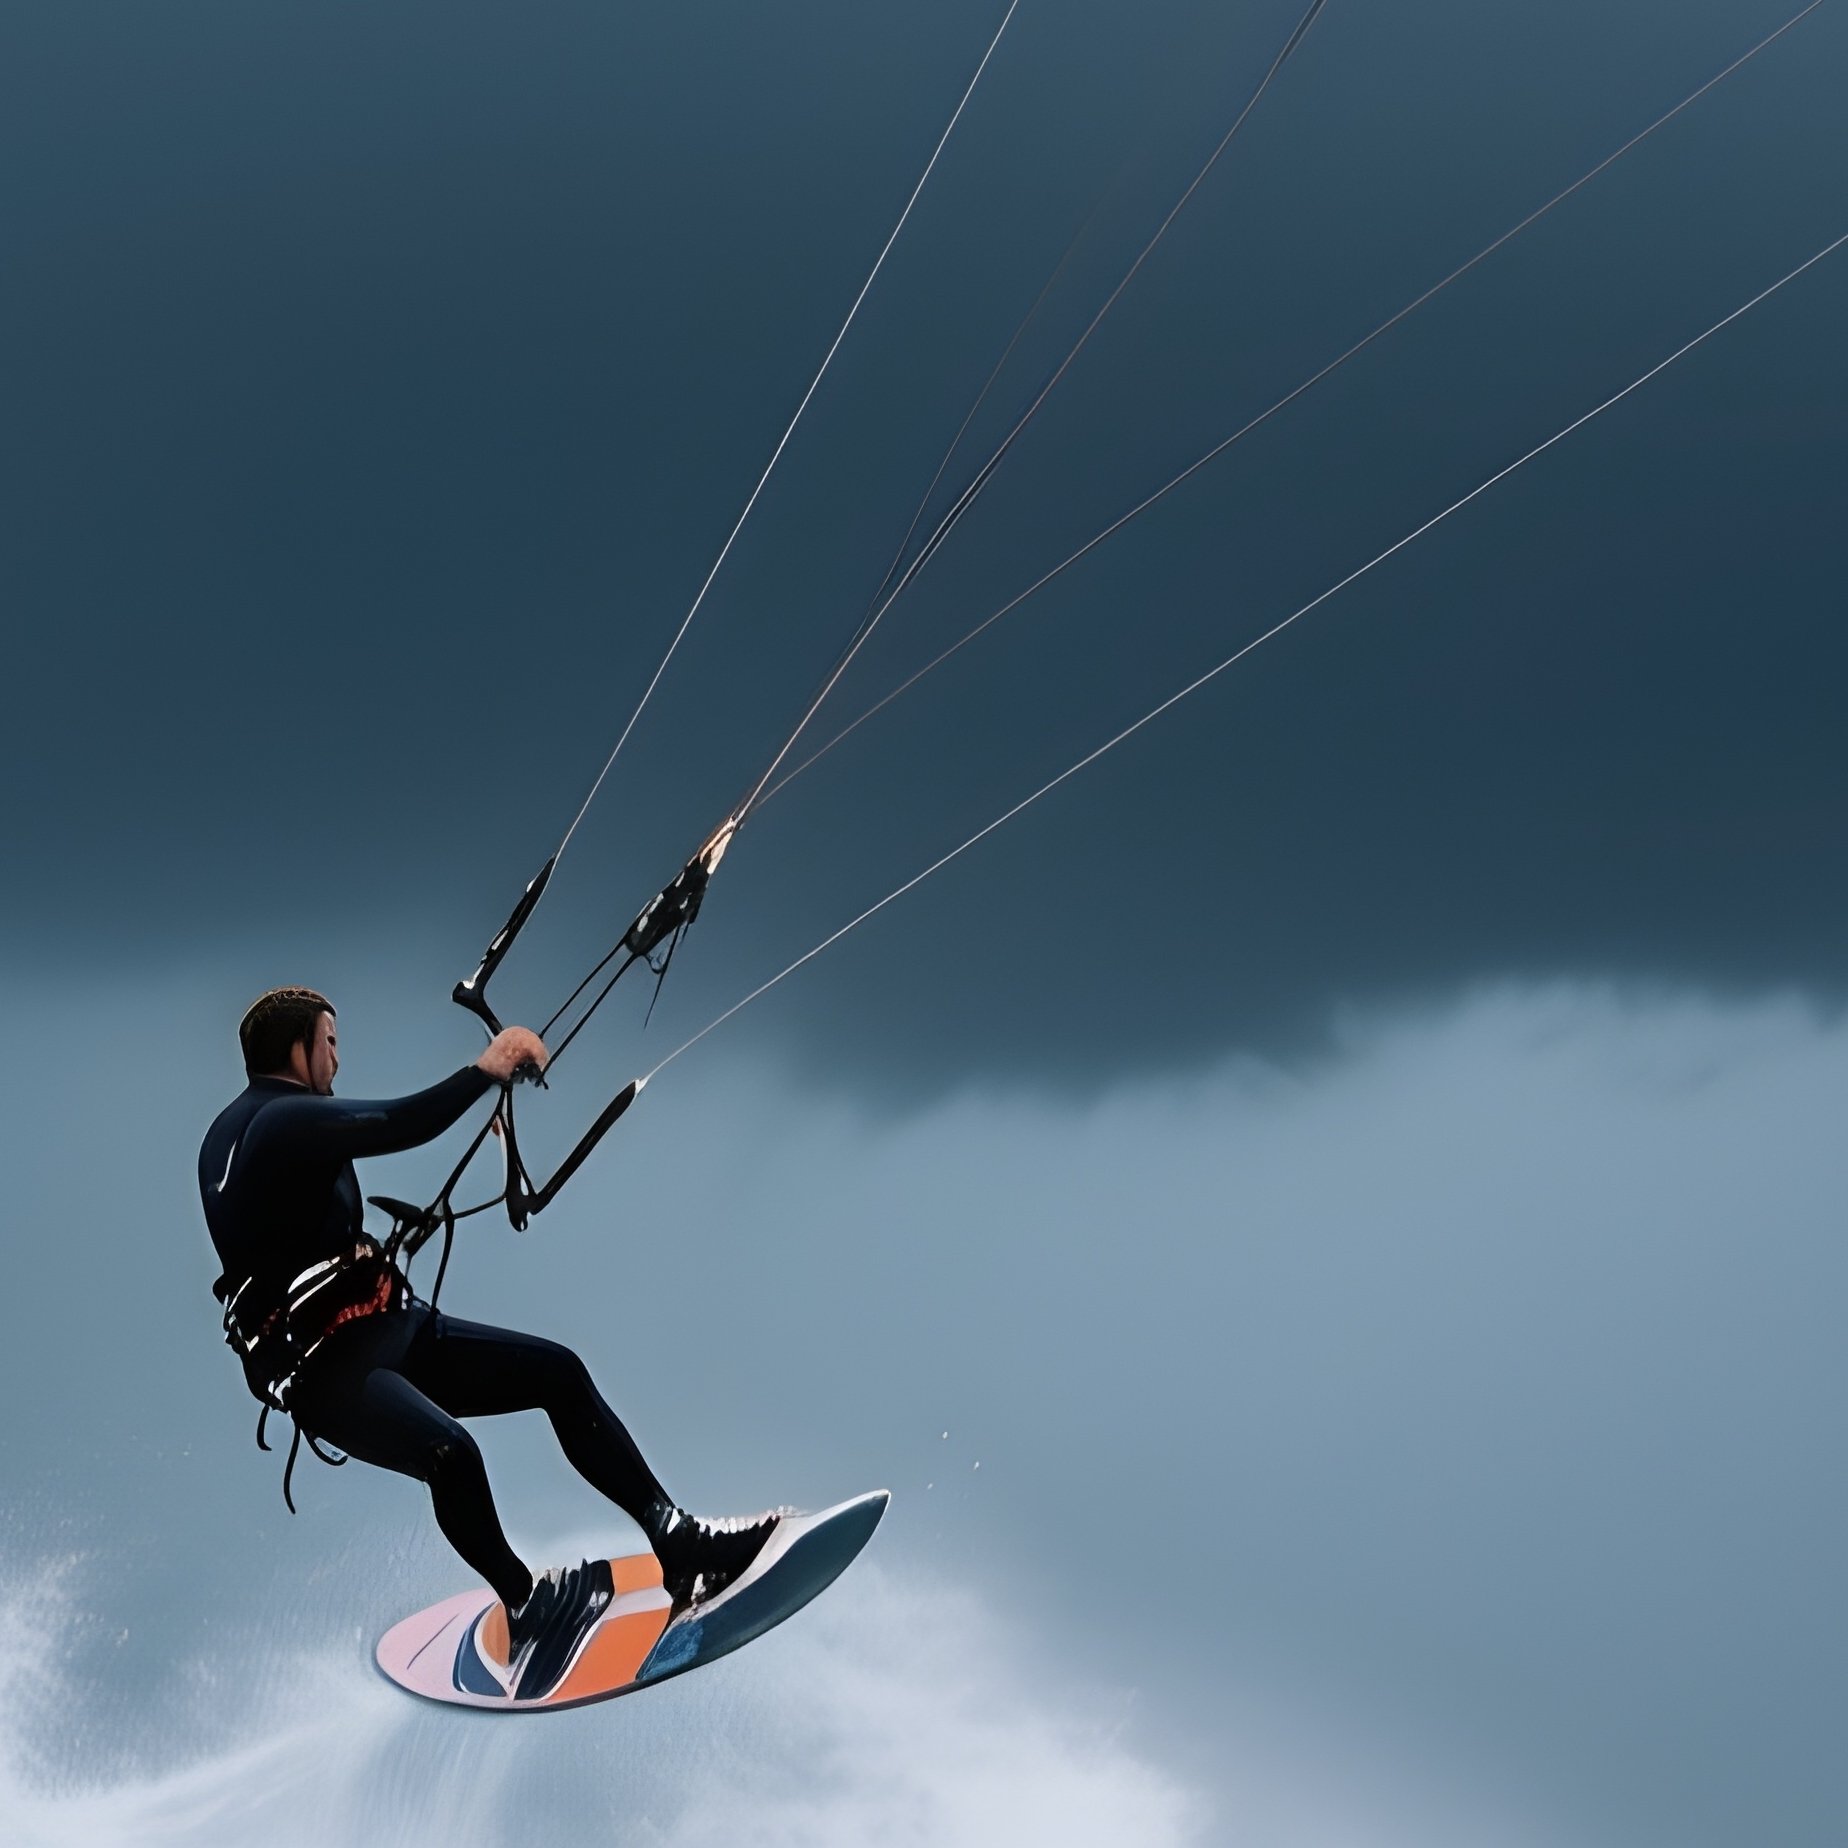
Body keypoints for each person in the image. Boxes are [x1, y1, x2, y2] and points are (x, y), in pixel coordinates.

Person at [200, 985, 778, 1699]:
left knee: (558, 1373)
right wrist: (487, 1068)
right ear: (297, 1051)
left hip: (391, 1329)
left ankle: (680, 1544)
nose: (337, 1061)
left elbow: (291, 1234)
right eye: (330, 1044)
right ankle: (524, 1601)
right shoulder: (280, 1120)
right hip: (331, 1375)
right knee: (450, 1455)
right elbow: (398, 1122)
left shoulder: (232, 1137)